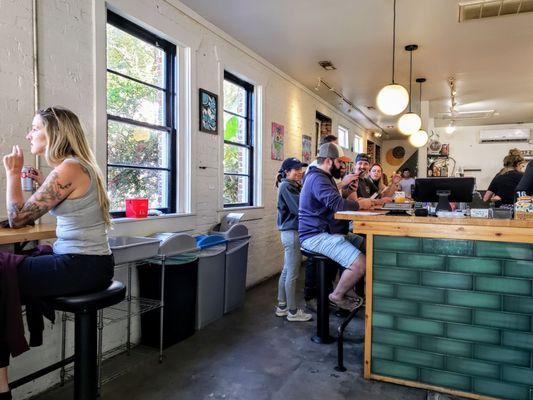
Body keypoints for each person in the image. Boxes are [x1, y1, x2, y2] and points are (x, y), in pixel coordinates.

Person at [0, 107, 114, 399]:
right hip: (90, 264)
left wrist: (13, 174)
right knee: (6, 272)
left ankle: (1, 385)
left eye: (35, 128)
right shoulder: (77, 167)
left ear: (54, 134)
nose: (29, 134)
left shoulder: (69, 169)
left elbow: (18, 219)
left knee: (2, 273)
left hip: (81, 266)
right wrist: (43, 184)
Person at [299, 143, 373, 311]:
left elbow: (330, 202)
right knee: (361, 263)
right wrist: (361, 204)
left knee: (368, 245)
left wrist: (346, 191)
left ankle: (350, 288)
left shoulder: (325, 177)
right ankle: (337, 295)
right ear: (328, 161)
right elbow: (337, 204)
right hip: (315, 235)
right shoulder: (318, 178)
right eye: (340, 163)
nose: (343, 167)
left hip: (329, 232)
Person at [275, 157, 312, 322]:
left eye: (300, 169)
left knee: (286, 271)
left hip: (290, 233)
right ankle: (292, 311)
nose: (299, 172)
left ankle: (282, 306)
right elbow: (299, 209)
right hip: (292, 233)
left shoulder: (293, 185)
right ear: (286, 171)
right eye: (295, 169)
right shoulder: (286, 186)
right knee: (292, 274)